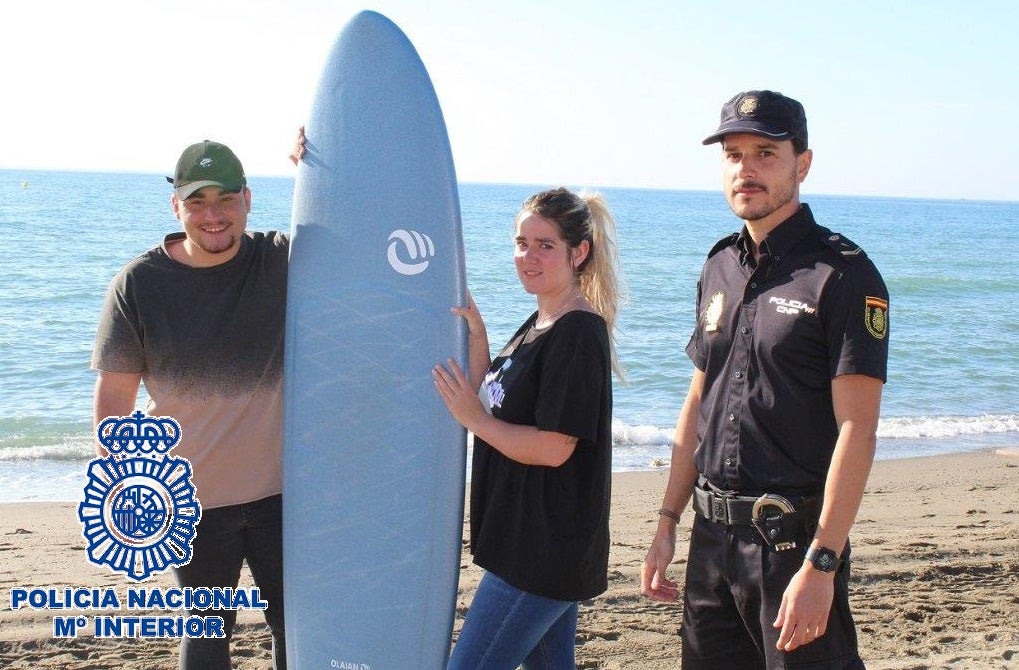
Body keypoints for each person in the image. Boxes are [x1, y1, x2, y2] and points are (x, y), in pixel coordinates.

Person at [640, 90, 890, 669]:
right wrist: (666, 521)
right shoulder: (719, 264)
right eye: (732, 154)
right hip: (710, 542)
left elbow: (859, 429)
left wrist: (823, 562)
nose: (744, 169)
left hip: (791, 546)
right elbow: (699, 399)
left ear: (802, 164)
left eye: (764, 153)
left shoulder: (844, 275)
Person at [92, 137, 303, 670]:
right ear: (176, 206)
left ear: (249, 200)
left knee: (298, 632)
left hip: (287, 498)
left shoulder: (280, 260)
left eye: (226, 199)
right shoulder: (139, 285)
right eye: (197, 201)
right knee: (207, 639)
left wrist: (323, 160)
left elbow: (350, 229)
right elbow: (115, 399)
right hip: (191, 506)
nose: (213, 215)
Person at [432, 187, 623, 669]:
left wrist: (473, 420)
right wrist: (478, 336)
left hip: (540, 553)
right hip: (530, 544)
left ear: (579, 252)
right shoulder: (540, 320)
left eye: (545, 245)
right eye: (521, 243)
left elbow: (556, 447)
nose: (528, 256)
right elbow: (493, 402)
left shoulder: (578, 331)